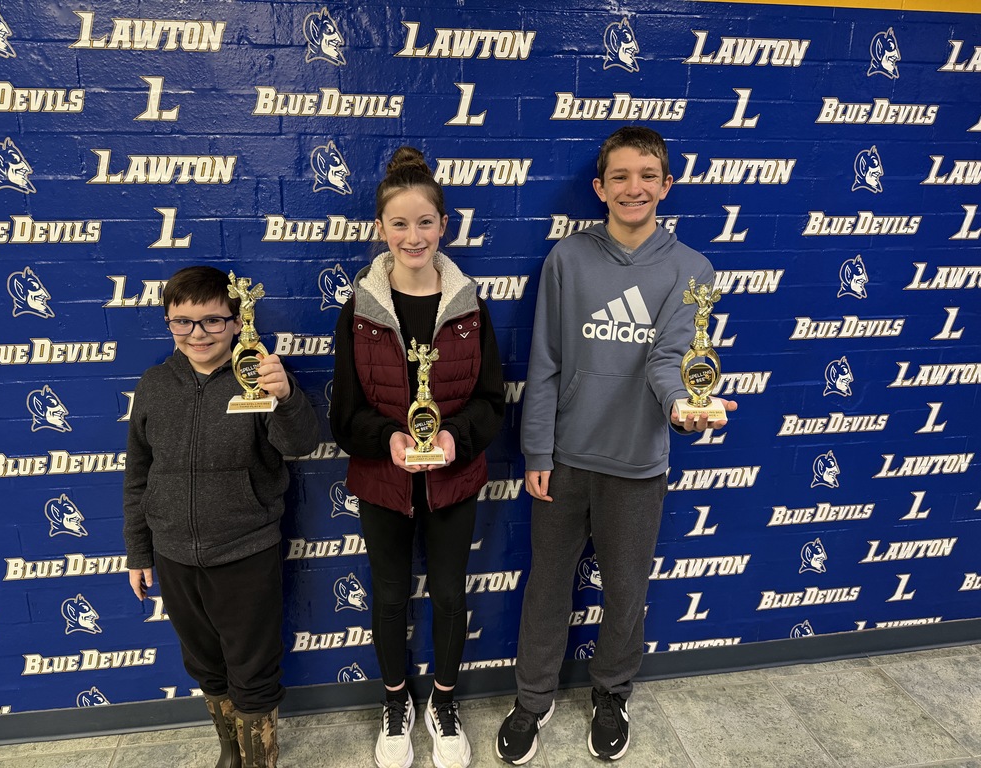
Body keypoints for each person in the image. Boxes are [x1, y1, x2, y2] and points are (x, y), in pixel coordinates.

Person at [496, 126, 737, 764]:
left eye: (648, 176)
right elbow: (544, 362)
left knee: (626, 589)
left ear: (667, 185)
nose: (635, 188)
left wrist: (683, 407)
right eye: (621, 177)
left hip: (637, 464)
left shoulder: (693, 271)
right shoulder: (567, 260)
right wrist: (539, 454)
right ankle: (531, 699)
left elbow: (670, 362)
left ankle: (611, 693)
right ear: (600, 188)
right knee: (547, 585)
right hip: (567, 461)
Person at [330, 146, 504, 768]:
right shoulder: (358, 312)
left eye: (425, 222)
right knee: (388, 597)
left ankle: (445, 702)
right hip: (384, 481)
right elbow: (344, 417)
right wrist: (389, 442)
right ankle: (396, 700)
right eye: (399, 224)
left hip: (454, 480)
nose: (413, 235)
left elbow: (490, 402)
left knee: (452, 596)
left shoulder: (469, 307)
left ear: (444, 226)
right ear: (380, 229)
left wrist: (455, 439)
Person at [123, 265, 319, 768]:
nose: (197, 334)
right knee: (206, 667)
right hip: (173, 555)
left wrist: (287, 398)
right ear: (168, 322)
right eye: (182, 322)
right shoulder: (153, 385)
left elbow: (299, 446)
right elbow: (138, 475)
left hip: (245, 552)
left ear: (236, 322)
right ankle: (231, 752)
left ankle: (260, 761)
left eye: (212, 321)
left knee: (252, 671)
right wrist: (139, 551)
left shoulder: (260, 376)